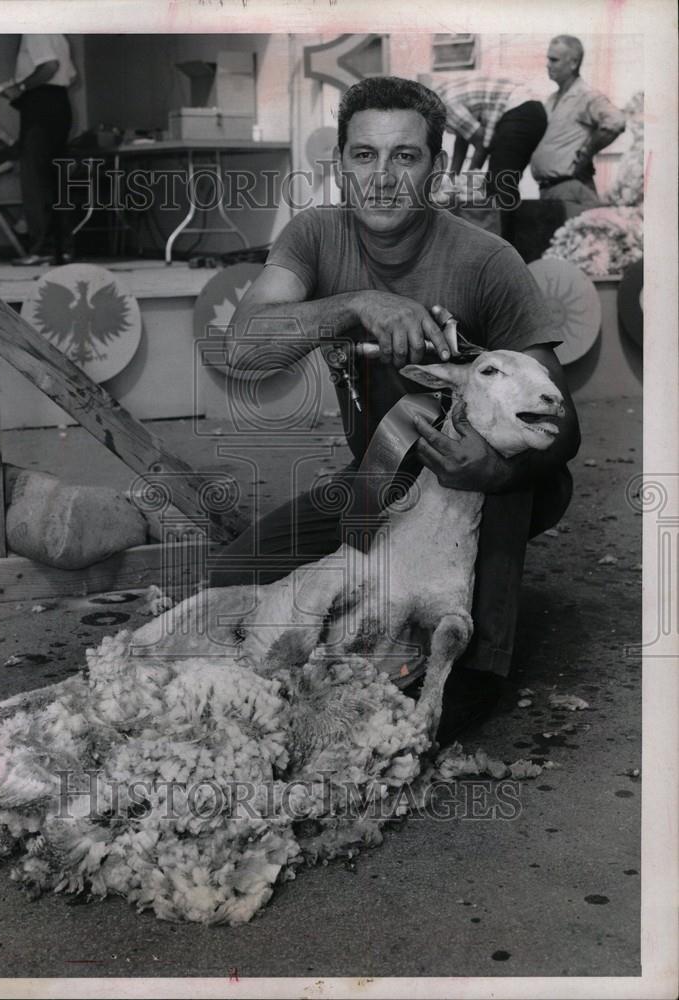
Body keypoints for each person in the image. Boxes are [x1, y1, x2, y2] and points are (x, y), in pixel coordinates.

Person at [208, 76, 580, 745]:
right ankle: (382, 608)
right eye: (364, 156)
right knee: (233, 579)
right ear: (340, 166)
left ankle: (475, 667)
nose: (382, 177)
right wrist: (353, 305)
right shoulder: (314, 236)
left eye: (404, 157)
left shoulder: (486, 261)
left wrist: (493, 471)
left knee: (506, 463)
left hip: (480, 486)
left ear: (434, 168)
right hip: (381, 480)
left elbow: (563, 421)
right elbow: (243, 348)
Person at [434, 75, 547, 239]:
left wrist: (466, 181)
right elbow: (464, 139)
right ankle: (505, 242)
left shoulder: (443, 106)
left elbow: (480, 141)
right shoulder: (441, 100)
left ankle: (504, 250)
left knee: (499, 183)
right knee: (501, 183)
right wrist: (453, 180)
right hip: (527, 110)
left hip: (519, 110)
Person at [0, 34, 76, 265]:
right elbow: (70, 74)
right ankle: (61, 249)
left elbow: (49, 66)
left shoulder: (35, 29)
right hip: (57, 102)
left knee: (35, 179)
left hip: (41, 104)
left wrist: (21, 87)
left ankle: (42, 248)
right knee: (53, 179)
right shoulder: (57, 32)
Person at [530, 35, 626, 207]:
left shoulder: (586, 95)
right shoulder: (551, 99)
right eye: (548, 59)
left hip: (571, 189)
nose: (548, 65)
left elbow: (616, 121)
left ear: (573, 63)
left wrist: (587, 153)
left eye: (554, 60)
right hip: (548, 191)